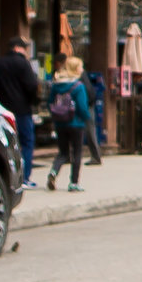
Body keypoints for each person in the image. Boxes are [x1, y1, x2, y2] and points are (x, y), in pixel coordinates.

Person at [0, 37, 43, 189]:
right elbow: (32, 86)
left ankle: (10, 178)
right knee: (26, 142)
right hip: (22, 110)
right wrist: (33, 102)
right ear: (19, 48)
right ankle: (24, 178)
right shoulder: (23, 63)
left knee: (6, 144)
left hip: (2, 111)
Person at [45, 57, 95, 192]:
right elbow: (82, 107)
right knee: (77, 152)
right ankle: (74, 183)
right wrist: (86, 118)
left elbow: (50, 103)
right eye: (80, 67)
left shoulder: (56, 84)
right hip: (76, 123)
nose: (82, 70)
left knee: (63, 152)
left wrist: (55, 116)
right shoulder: (78, 86)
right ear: (75, 69)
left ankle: (54, 172)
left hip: (60, 123)